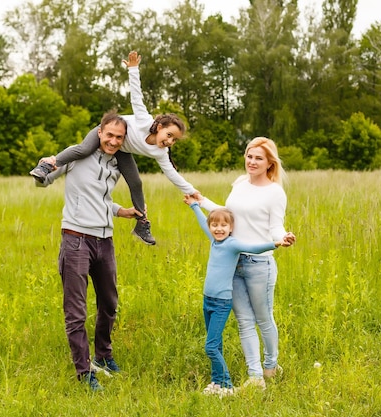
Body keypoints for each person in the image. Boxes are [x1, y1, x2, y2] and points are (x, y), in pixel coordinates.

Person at [29, 51, 199, 246]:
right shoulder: (145, 121)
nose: (170, 142)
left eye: (174, 140)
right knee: (83, 150)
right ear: (159, 127)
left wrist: (192, 190)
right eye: (169, 135)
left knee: (136, 182)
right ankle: (47, 166)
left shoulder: (160, 152)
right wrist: (133, 69)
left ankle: (141, 224)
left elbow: (172, 174)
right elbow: (137, 98)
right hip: (110, 131)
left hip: (122, 149)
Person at [34, 111, 142, 392]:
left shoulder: (117, 163)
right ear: (99, 133)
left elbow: (101, 199)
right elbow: (46, 179)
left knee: (109, 304)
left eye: (119, 137)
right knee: (76, 312)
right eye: (109, 135)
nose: (114, 141)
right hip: (76, 240)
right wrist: (44, 167)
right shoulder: (78, 156)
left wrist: (122, 211)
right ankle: (84, 372)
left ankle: (103, 357)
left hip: (104, 241)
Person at [197, 137, 296, 390]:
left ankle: (271, 366)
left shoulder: (275, 192)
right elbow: (227, 213)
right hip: (234, 261)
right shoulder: (240, 183)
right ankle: (255, 376)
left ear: (269, 163)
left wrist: (281, 238)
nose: (252, 162)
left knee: (263, 319)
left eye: (258, 158)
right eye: (249, 156)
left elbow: (275, 225)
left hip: (259, 264)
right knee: (243, 320)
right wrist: (200, 201)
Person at [184, 195, 290, 396]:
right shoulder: (214, 241)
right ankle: (216, 382)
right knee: (217, 345)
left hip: (222, 302)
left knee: (210, 347)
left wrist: (275, 243)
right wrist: (195, 205)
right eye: (214, 225)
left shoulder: (232, 244)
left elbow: (253, 248)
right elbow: (202, 222)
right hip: (208, 301)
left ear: (231, 228)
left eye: (224, 225)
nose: (219, 229)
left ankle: (226, 385)